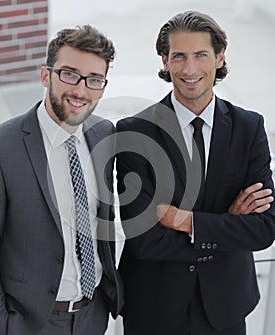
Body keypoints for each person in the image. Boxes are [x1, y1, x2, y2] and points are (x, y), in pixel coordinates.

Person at [116, 11, 275, 335]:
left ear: (219, 57)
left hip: (225, 305)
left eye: (200, 55)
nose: (189, 69)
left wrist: (187, 222)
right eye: (179, 56)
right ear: (164, 61)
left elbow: (263, 229)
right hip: (153, 307)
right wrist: (227, 222)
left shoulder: (249, 128)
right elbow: (145, 240)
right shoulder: (135, 133)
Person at [0, 25, 123, 335]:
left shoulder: (104, 134)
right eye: (69, 74)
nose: (80, 91)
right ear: (46, 75)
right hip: (29, 323)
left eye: (94, 80)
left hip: (92, 316)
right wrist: (0, 326)